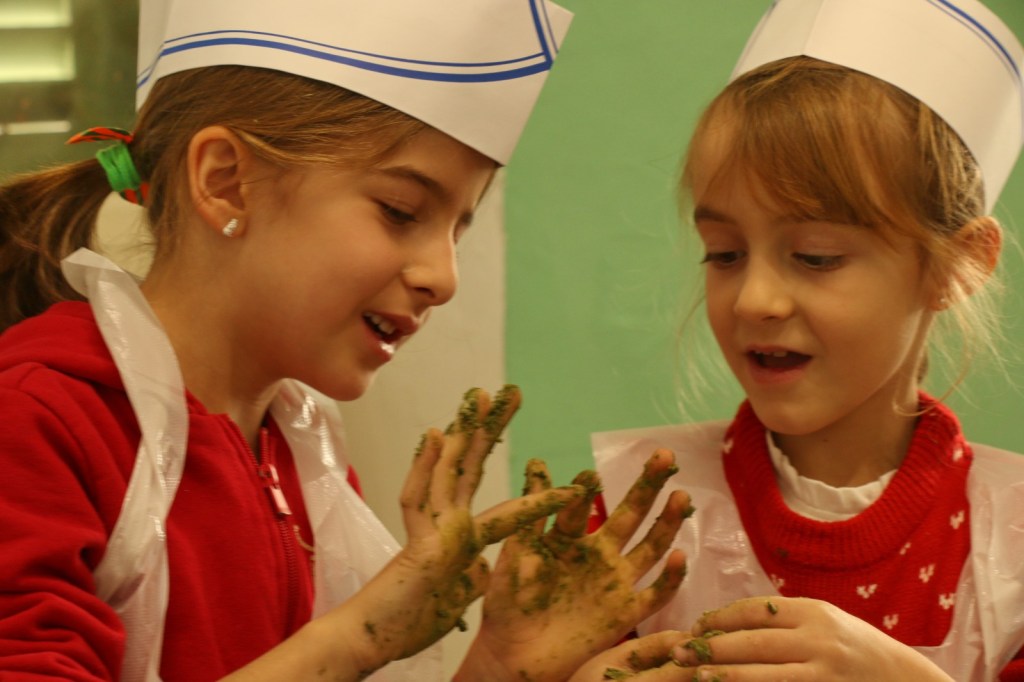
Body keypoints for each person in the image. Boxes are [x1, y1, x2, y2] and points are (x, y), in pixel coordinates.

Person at [0, 0, 693, 680]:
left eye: (458, 230)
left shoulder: (301, 454)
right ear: (226, 181)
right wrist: (357, 638)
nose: (442, 278)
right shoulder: (37, 424)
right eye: (401, 211)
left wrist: (498, 667)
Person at [591, 0, 1024, 680]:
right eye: (725, 253)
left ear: (958, 266)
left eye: (816, 256)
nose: (755, 300)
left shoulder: (1012, 550)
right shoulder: (633, 519)